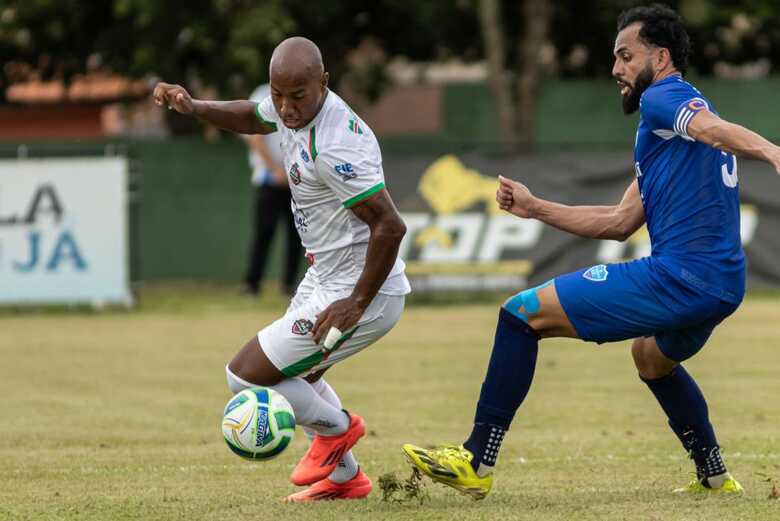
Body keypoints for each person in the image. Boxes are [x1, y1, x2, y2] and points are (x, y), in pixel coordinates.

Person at [403, 4, 780, 499]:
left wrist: (774, 152)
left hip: (682, 278)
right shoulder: (668, 136)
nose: (616, 70)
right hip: (722, 286)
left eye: (626, 56)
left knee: (522, 314)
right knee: (650, 357)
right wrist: (536, 207)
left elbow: (709, 126)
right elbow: (618, 222)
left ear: (661, 58)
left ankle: (476, 459)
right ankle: (714, 476)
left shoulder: (665, 98)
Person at [153, 36, 410, 502]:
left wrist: (355, 303)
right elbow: (252, 116)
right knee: (299, 379)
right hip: (327, 276)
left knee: (246, 376)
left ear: (323, 83)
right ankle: (344, 479)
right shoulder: (288, 106)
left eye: (297, 96)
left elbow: (390, 227)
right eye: (278, 95)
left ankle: (339, 431)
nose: (286, 109)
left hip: (360, 290)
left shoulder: (335, 146)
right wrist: (195, 107)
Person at [242, 84, 303, 297]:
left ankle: (290, 285)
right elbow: (255, 140)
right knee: (264, 232)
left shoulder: (302, 94)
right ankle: (251, 284)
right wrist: (276, 170)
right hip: (269, 179)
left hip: (295, 182)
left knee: (297, 234)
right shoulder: (261, 94)